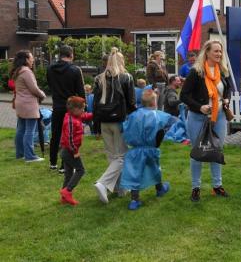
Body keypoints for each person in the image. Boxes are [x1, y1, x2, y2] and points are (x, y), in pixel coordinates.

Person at [180, 39, 232, 202]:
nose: (219, 54)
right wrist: (199, 107)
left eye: (220, 51)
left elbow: (227, 89)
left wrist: (227, 100)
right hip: (197, 118)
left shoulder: (222, 71)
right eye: (215, 51)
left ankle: (217, 186)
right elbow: (184, 96)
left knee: (217, 151)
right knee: (198, 153)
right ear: (207, 52)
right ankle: (196, 187)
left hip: (219, 118)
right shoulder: (196, 72)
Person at [93, 48, 136, 204]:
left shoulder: (99, 78)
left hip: (104, 121)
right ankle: (103, 183)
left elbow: (95, 105)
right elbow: (131, 103)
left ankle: (120, 188)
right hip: (120, 121)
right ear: (121, 61)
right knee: (122, 157)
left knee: (112, 156)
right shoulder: (127, 77)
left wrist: (95, 127)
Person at [120, 90, 176, 210]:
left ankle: (134, 200)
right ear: (153, 103)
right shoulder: (156, 114)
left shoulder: (133, 115)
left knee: (135, 173)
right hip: (151, 149)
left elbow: (124, 127)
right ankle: (160, 189)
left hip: (135, 150)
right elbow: (171, 120)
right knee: (155, 168)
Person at [47, 45, 85, 172]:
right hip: (71, 108)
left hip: (57, 106)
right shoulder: (75, 70)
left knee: (55, 135)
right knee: (69, 135)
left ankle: (52, 162)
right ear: (71, 55)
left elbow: (50, 85)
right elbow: (81, 91)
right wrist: (83, 106)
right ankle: (65, 166)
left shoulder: (50, 69)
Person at [11, 50, 46, 162]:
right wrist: (43, 94)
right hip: (29, 104)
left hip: (20, 103)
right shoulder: (27, 72)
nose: (33, 60)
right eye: (31, 58)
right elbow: (34, 89)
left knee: (21, 129)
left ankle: (20, 154)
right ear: (26, 59)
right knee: (29, 130)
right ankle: (30, 156)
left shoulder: (18, 71)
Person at [59, 96, 93, 206]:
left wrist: (95, 114)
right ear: (74, 109)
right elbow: (69, 139)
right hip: (69, 151)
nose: (83, 110)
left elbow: (85, 116)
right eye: (82, 108)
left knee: (68, 174)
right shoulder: (70, 121)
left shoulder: (75, 116)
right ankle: (67, 191)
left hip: (67, 151)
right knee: (80, 170)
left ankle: (64, 198)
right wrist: (75, 152)